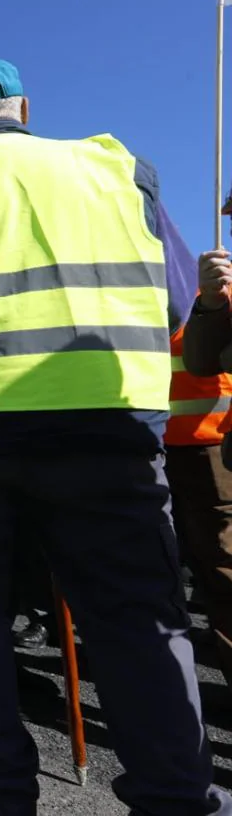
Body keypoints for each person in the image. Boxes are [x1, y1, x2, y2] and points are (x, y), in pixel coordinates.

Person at [0, 57, 231, 815]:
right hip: (107, 440)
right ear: (24, 109)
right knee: (139, 631)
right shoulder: (120, 175)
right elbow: (183, 317)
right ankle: (177, 801)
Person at [176, 192, 232, 697]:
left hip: (208, 449)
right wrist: (211, 305)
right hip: (206, 455)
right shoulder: (220, 295)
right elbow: (201, 361)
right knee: (220, 572)